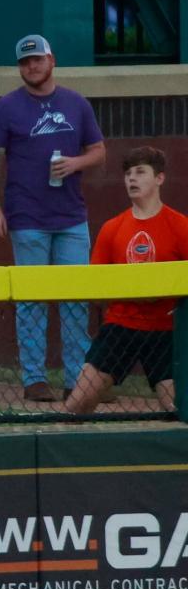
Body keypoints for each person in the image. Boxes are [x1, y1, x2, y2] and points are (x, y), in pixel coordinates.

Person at [0, 34, 106, 403]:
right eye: (24, 62)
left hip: (71, 216)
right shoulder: (6, 108)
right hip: (27, 216)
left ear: (51, 60)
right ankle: (34, 378)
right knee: (32, 298)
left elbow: (98, 151)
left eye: (37, 60)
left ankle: (76, 379)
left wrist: (76, 163)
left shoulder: (76, 103)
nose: (31, 67)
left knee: (75, 299)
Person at [65, 147, 188, 415]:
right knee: (76, 405)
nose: (132, 179)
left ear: (160, 179)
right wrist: (131, 292)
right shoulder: (113, 228)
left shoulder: (180, 226)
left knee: (178, 410)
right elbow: (96, 285)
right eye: (128, 174)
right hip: (122, 324)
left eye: (141, 172)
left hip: (165, 329)